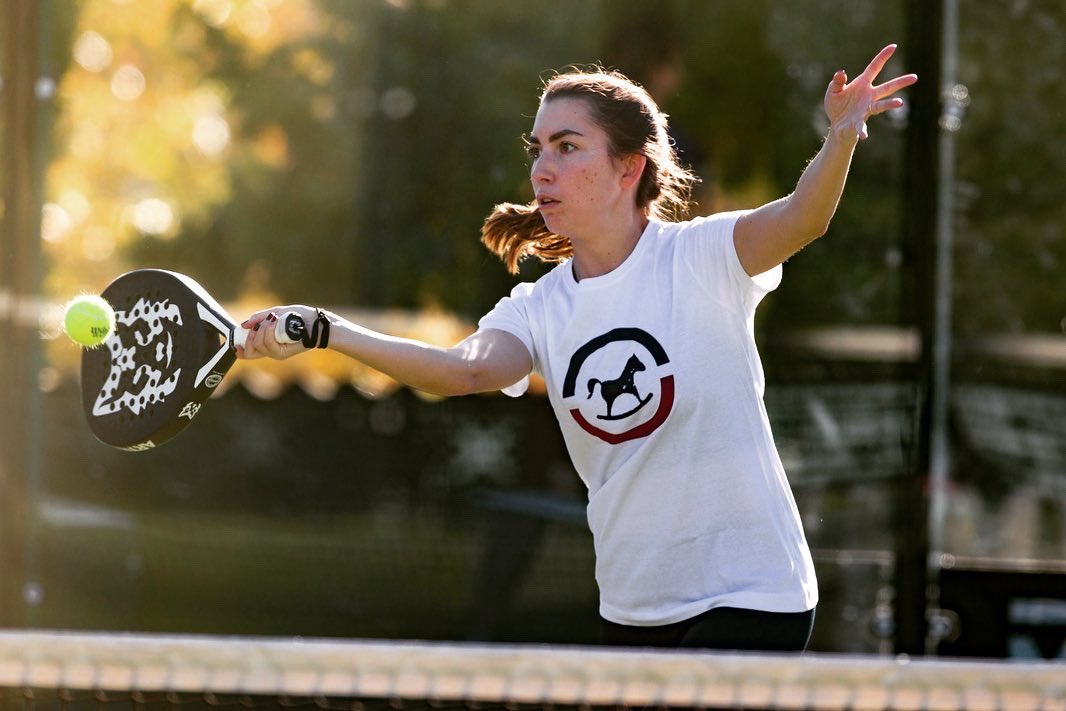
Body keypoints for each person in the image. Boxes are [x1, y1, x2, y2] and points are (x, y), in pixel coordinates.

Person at [239, 45, 917, 652]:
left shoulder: (703, 255)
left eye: (567, 147)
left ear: (628, 167)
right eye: (536, 149)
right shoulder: (539, 307)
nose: (542, 167)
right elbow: (464, 372)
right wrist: (326, 328)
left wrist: (842, 133)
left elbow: (806, 216)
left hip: (754, 592)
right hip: (632, 608)